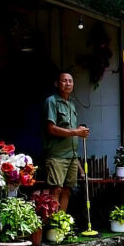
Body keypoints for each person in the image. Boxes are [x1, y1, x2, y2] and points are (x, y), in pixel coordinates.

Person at [44, 73, 89, 212]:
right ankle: (53, 227)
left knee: (67, 190)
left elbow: (72, 130)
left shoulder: (71, 105)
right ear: (57, 84)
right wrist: (76, 132)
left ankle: (61, 224)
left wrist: (79, 131)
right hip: (57, 155)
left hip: (72, 156)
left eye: (70, 81)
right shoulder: (51, 101)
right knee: (56, 190)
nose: (68, 83)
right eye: (64, 81)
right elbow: (51, 129)